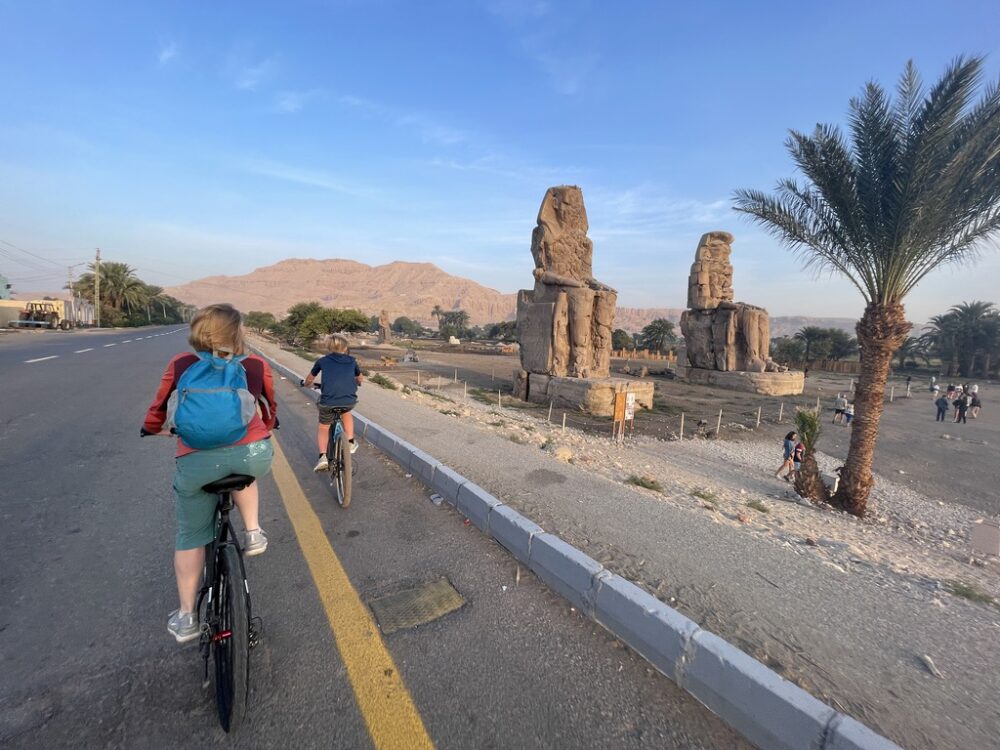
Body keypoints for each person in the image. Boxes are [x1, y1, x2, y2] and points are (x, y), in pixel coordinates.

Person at [142, 303, 277, 643]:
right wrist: (268, 427)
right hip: (253, 455)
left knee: (191, 535)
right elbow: (269, 406)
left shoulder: (182, 364)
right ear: (238, 334)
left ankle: (187, 617)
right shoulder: (255, 364)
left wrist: (152, 428)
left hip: (197, 463)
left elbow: (158, 409)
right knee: (246, 472)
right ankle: (253, 532)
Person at [301, 334, 363, 471]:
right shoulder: (352, 361)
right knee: (346, 413)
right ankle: (351, 441)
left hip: (328, 402)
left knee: (324, 427)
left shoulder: (322, 361)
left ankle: (322, 457)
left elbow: (310, 379)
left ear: (328, 347)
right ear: (345, 347)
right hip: (348, 400)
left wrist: (306, 384)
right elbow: (360, 378)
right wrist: (358, 382)